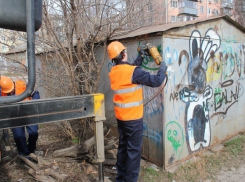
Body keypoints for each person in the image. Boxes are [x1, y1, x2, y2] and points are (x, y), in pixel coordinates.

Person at [107, 41, 168, 182]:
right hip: (133, 120)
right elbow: (157, 81)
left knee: (123, 148)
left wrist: (141, 56)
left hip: (121, 118)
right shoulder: (133, 72)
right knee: (134, 152)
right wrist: (163, 66)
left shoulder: (114, 72)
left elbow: (131, 70)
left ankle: (120, 178)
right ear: (123, 54)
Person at [0, 76, 40, 156]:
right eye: (8, 93)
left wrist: (33, 105)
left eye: (11, 91)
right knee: (18, 136)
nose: (10, 93)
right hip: (14, 116)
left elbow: (36, 95)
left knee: (33, 132)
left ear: (13, 84)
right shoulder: (2, 92)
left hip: (28, 113)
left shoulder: (23, 85)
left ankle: (31, 150)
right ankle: (24, 154)